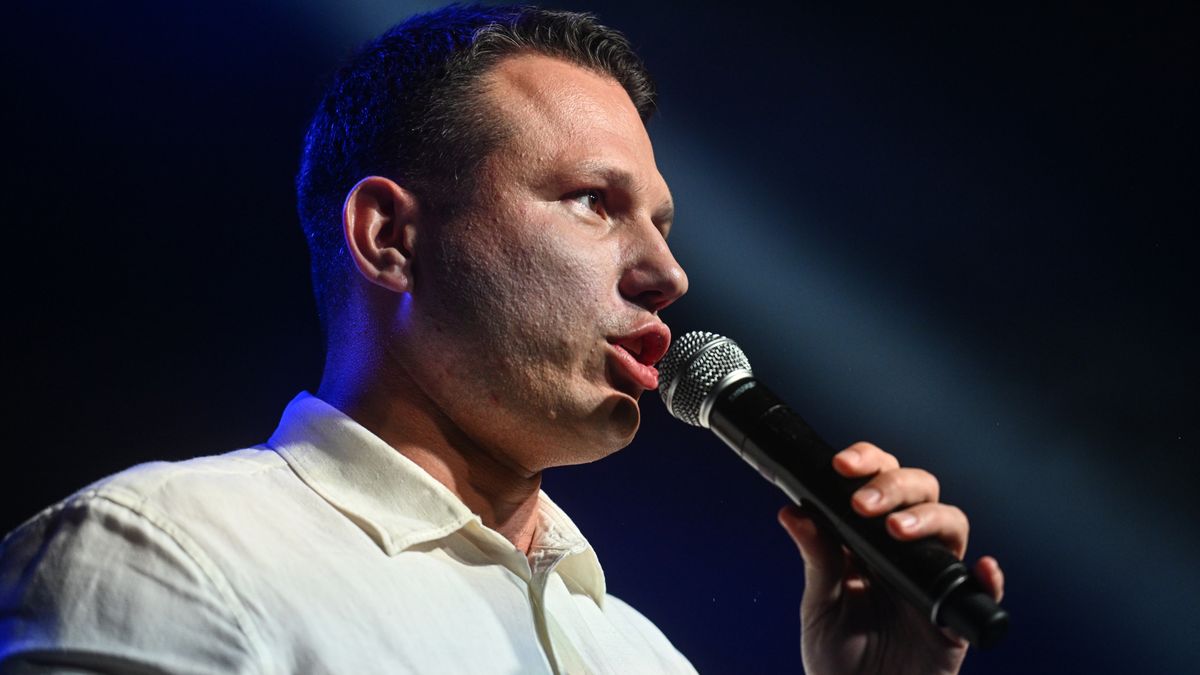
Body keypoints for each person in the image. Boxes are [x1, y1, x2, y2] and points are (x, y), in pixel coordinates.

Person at [0, 5, 1003, 673]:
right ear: (392, 239)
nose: (667, 274)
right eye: (591, 202)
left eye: (662, 223)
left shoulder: (641, 656)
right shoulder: (171, 554)